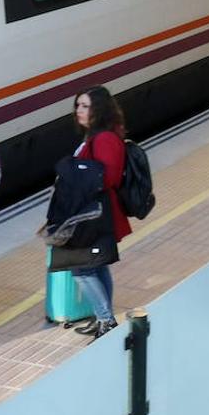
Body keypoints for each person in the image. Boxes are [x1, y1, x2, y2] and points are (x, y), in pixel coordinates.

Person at [69, 86, 130, 339]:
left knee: (81, 269)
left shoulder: (104, 139)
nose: (78, 111)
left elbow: (109, 177)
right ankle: (101, 317)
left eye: (85, 106)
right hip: (94, 213)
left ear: (98, 110)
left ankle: (106, 320)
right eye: (78, 106)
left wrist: (76, 179)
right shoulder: (96, 136)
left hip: (96, 215)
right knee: (98, 266)